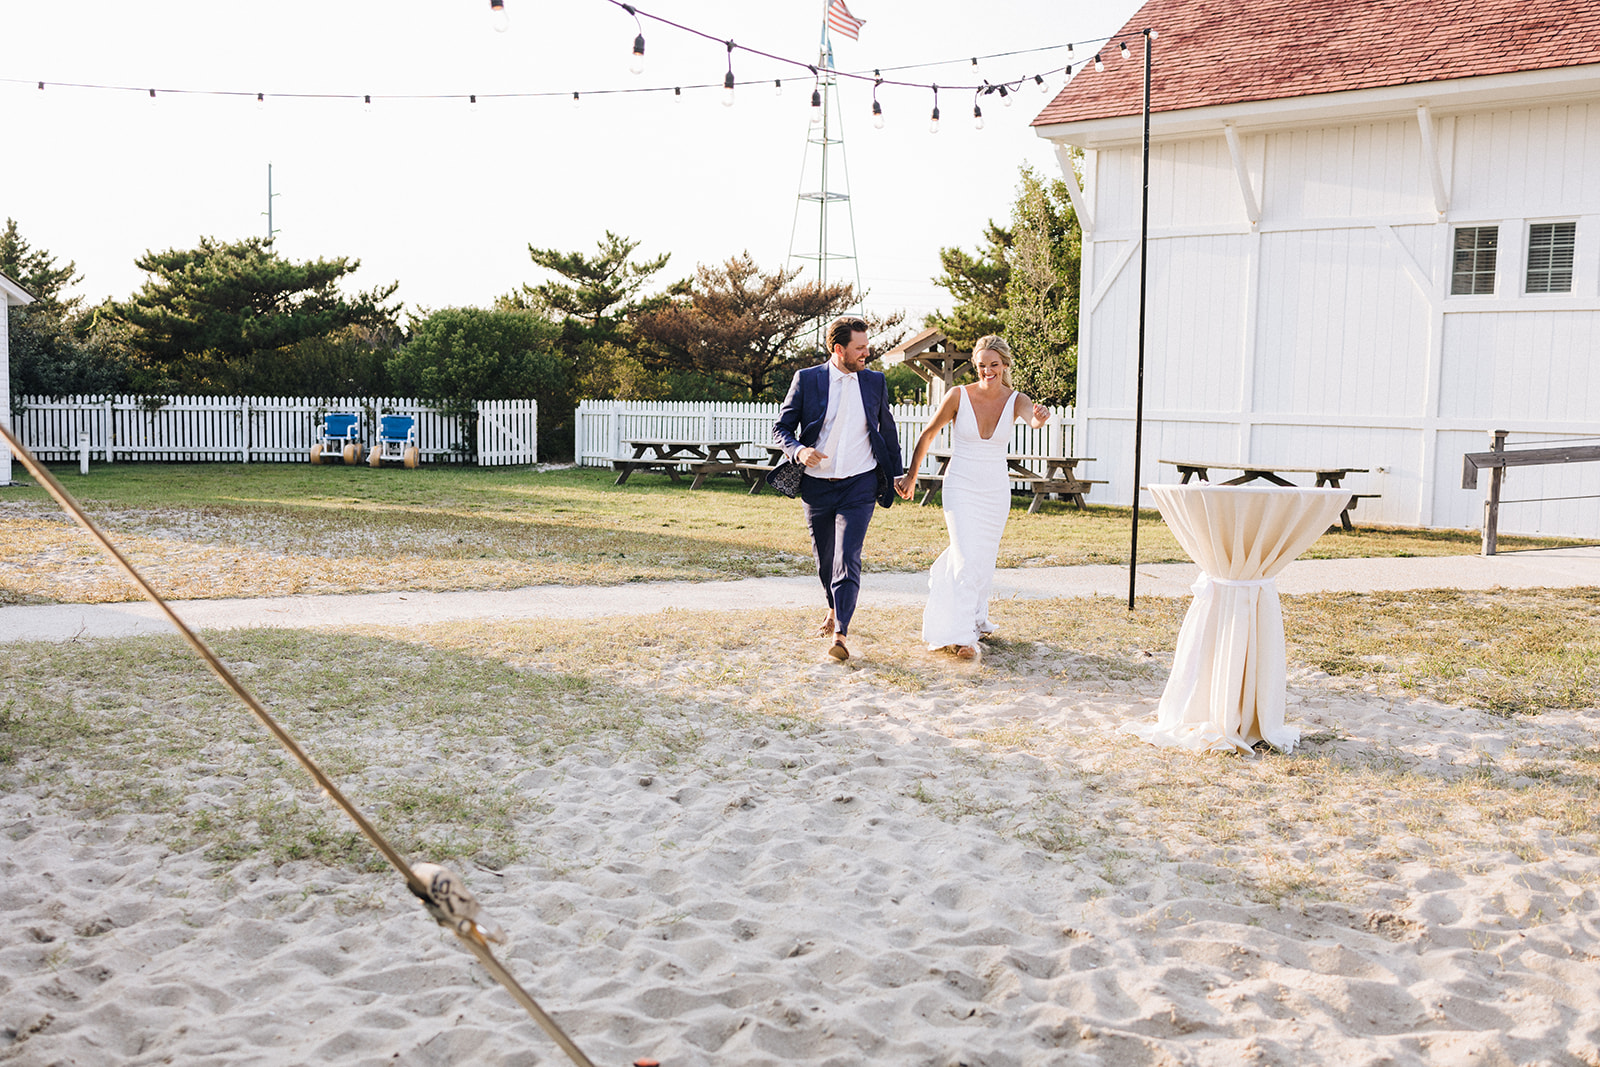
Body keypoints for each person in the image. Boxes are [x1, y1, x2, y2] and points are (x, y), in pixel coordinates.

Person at [895, 335, 1051, 659]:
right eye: (981, 365)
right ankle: (963, 636)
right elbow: (928, 434)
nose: (987, 371)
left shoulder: (1016, 399)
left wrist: (1040, 416)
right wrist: (911, 476)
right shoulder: (958, 395)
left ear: (1005, 365)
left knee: (982, 560)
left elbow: (1033, 420)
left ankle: (976, 618)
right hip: (961, 486)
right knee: (966, 556)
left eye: (994, 364)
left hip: (994, 490)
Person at [773, 316, 904, 662]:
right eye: (860, 348)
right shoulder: (807, 379)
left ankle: (841, 633)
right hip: (817, 486)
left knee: (848, 557)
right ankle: (833, 607)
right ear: (838, 349)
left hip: (860, 483)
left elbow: (886, 430)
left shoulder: (875, 382)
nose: (867, 352)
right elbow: (782, 428)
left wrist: (898, 474)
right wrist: (799, 450)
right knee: (825, 560)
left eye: (867, 345)